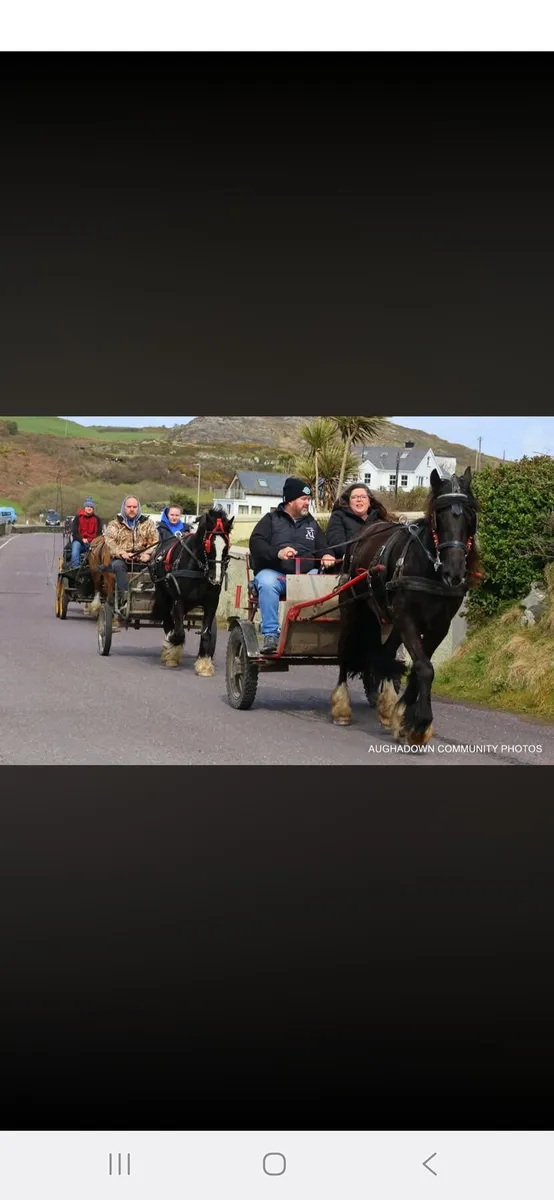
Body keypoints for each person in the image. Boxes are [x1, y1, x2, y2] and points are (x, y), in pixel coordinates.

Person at [249, 477, 336, 653]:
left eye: (308, 499)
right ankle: (271, 635)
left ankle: (311, 634)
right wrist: (278, 553)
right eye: (303, 499)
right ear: (290, 500)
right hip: (276, 574)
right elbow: (256, 543)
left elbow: (323, 547)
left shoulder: (312, 523)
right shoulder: (270, 519)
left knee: (324, 583)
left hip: (306, 576)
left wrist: (327, 555)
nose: (307, 503)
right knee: (266, 583)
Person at [103, 496, 159, 602]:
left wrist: (147, 554)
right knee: (118, 566)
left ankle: (148, 597)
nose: (132, 509)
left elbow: (155, 541)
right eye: (129, 506)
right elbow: (109, 542)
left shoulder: (148, 524)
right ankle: (125, 598)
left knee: (156, 567)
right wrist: (122, 553)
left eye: (134, 506)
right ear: (124, 508)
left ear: (138, 508)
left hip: (142, 559)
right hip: (121, 559)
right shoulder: (115, 524)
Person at [326, 483, 390, 571]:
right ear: (348, 502)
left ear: (369, 502)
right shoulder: (338, 516)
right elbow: (336, 542)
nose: (359, 500)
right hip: (347, 568)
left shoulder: (380, 520)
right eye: (354, 497)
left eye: (363, 497)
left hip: (376, 568)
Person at [70, 498, 103, 567]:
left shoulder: (97, 519)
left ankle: (97, 567)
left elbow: (99, 533)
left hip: (93, 543)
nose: (89, 508)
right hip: (79, 541)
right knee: (75, 549)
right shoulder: (78, 518)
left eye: (91, 507)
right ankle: (75, 567)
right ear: (84, 507)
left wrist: (91, 541)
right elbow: (75, 532)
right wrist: (82, 539)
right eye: (88, 506)